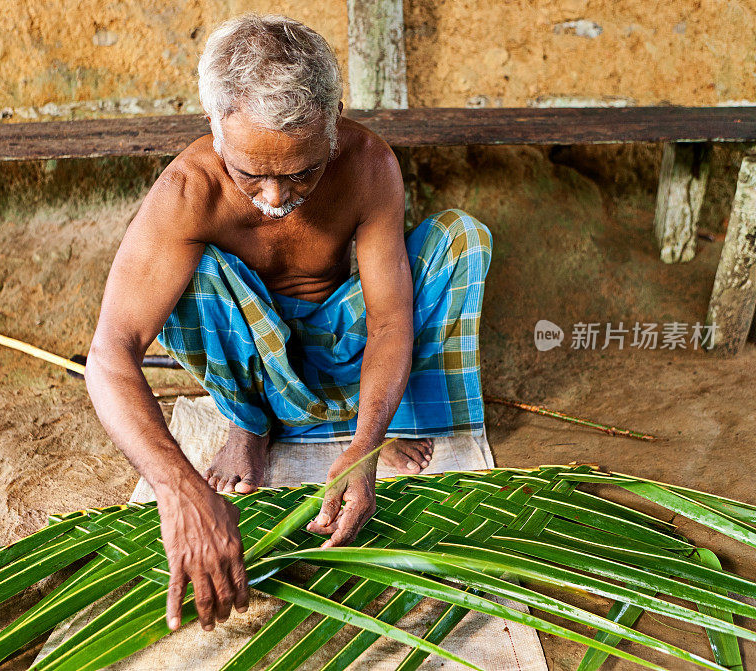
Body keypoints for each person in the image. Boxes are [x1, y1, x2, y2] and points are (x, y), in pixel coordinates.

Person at [85, 13, 492, 635]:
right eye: (253, 174)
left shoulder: (367, 163)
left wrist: (363, 447)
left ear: (331, 129)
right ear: (215, 128)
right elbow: (109, 354)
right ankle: (249, 421)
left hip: (345, 344)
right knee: (188, 274)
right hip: (252, 356)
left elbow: (388, 320)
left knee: (460, 240)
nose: (275, 198)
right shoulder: (187, 191)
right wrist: (180, 488)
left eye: (300, 172)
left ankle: (390, 418)